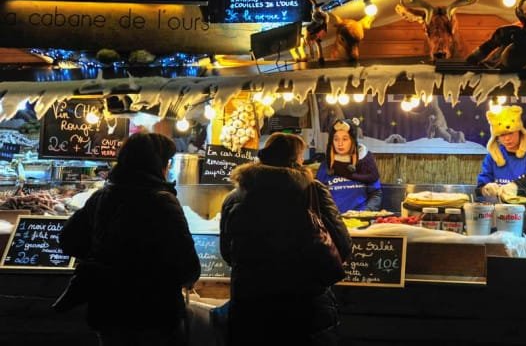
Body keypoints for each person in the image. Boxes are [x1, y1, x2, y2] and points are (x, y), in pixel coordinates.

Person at [59, 131, 201, 346]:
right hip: (154, 313)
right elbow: (188, 268)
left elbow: (68, 240)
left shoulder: (102, 196)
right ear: (159, 164)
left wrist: (102, 259)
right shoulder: (162, 201)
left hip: (108, 309)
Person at [220, 132, 352, 346]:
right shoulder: (313, 191)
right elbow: (343, 245)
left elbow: (227, 252)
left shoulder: (235, 196)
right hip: (305, 305)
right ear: (295, 159)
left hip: (251, 305)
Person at [476, 105, 526, 201]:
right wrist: (485, 190)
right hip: (501, 211)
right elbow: (480, 188)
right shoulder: (492, 157)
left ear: (519, 131)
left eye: (510, 133)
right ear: (496, 137)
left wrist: (514, 187)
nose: (507, 139)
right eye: (502, 135)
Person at [316, 118, 382, 213]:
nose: (340, 143)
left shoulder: (365, 163)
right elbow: (318, 195)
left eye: (345, 139)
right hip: (334, 222)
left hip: (361, 222)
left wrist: (365, 213)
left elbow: (376, 194)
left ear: (352, 140)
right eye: (336, 139)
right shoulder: (326, 165)